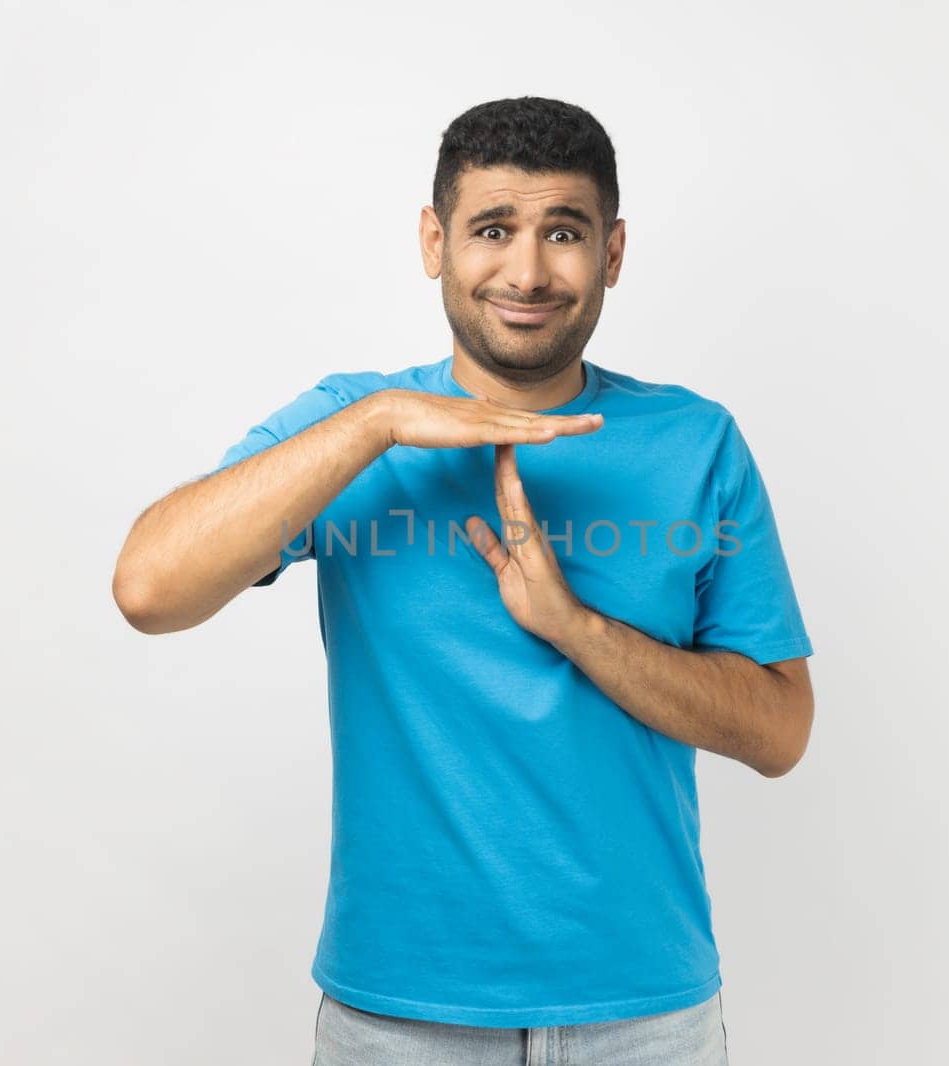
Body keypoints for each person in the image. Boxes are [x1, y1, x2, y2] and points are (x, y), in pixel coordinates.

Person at [112, 96, 815, 1065]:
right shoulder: (352, 427)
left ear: (610, 253)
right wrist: (378, 426)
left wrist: (575, 626)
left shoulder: (696, 443)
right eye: (493, 229)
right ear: (434, 241)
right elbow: (149, 585)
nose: (526, 271)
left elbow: (781, 729)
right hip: (400, 1019)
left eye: (562, 232)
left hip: (644, 1019)